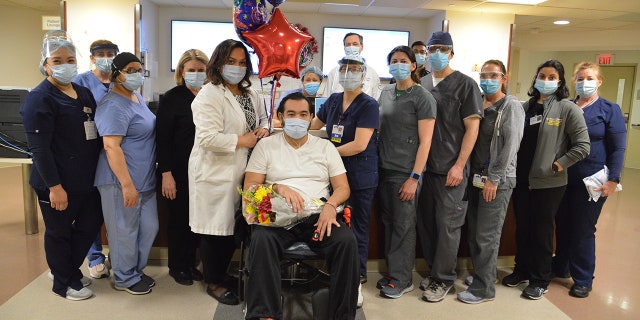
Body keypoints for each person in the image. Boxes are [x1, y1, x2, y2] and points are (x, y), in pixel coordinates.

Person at [244, 92, 358, 320]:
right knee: (261, 239)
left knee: (346, 242)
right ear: (281, 117)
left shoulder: (324, 147)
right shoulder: (266, 146)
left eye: (303, 114)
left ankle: (341, 315)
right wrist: (277, 188)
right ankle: (264, 314)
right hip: (278, 217)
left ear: (311, 117)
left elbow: (343, 188)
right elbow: (250, 189)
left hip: (317, 217)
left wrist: (330, 206)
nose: (298, 119)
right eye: (291, 114)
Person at [20, 30, 103, 301]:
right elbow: (39, 149)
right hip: (55, 182)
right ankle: (63, 284)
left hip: (85, 180)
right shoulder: (40, 98)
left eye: (69, 59)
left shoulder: (82, 92)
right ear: (45, 64)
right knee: (59, 232)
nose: (64, 65)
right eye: (57, 61)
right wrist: (55, 187)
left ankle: (65, 270)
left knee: (90, 225)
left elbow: (92, 132)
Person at [188, 39, 269, 305]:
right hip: (215, 172)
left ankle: (221, 274)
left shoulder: (249, 93)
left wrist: (263, 130)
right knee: (215, 231)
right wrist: (243, 140)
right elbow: (207, 139)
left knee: (233, 228)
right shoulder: (209, 94)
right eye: (231, 62)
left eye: (242, 63)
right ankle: (213, 282)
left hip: (241, 170)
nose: (237, 67)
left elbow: (263, 119)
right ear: (219, 63)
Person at [503, 59, 590, 300]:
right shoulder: (525, 107)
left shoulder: (567, 108)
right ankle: (521, 270)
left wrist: (558, 164)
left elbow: (583, 146)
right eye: (542, 75)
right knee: (522, 229)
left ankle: (540, 279)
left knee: (541, 232)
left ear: (560, 82)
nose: (546, 81)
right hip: (522, 180)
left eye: (552, 77)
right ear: (535, 78)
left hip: (549, 183)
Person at [416, 31, 483, 303]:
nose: (436, 53)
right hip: (425, 169)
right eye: (432, 48)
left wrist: (459, 165)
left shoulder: (466, 85)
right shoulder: (421, 83)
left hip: (450, 170)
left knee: (448, 226)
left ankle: (443, 279)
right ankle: (434, 272)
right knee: (428, 225)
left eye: (443, 49)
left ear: (452, 53)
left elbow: (473, 128)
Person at [552, 61, 626, 298]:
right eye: (580, 78)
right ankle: (561, 266)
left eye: (590, 78)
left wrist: (613, 179)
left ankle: (583, 278)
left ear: (599, 81)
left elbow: (618, 148)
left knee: (582, 228)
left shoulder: (608, 109)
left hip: (592, 178)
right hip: (562, 177)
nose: (585, 83)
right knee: (562, 224)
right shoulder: (566, 106)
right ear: (574, 81)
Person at [456, 60, 525, 304]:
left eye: (493, 75)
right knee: (475, 233)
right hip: (477, 177)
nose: (487, 79)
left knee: (487, 235)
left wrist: (494, 179)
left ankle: (484, 289)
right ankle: (484, 276)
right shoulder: (481, 103)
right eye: (483, 75)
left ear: (504, 78)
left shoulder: (511, 107)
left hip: (497, 180)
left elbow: (510, 147)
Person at [94, 52, 159, 295]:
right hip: (120, 181)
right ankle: (124, 277)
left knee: (149, 228)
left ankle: (133, 269)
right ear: (116, 73)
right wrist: (126, 185)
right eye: (130, 70)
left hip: (144, 179)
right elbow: (111, 146)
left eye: (138, 69)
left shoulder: (136, 97)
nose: (136, 74)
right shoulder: (112, 104)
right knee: (124, 231)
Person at [310, 56, 378, 284]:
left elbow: (359, 144)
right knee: (334, 222)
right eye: (344, 68)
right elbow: (314, 127)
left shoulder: (369, 105)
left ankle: (357, 273)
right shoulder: (333, 100)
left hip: (359, 173)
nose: (348, 72)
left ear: (363, 74)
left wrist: (327, 153)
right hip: (334, 174)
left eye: (354, 68)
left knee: (357, 224)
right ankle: (334, 269)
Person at [375, 45, 437, 299]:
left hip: (406, 172)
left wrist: (415, 177)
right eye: (393, 61)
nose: (397, 64)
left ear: (413, 65)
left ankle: (402, 279)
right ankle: (393, 273)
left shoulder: (422, 97)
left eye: (403, 60)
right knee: (390, 224)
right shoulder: (386, 92)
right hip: (384, 169)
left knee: (403, 225)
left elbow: (426, 142)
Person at [156, 49, 208, 286]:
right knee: (179, 220)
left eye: (201, 70)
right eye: (191, 70)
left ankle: (190, 263)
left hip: (204, 171)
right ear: (181, 72)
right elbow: (163, 139)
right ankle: (177, 267)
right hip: (177, 171)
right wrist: (166, 174)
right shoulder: (172, 98)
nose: (196, 74)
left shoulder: (209, 95)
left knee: (196, 221)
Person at [72, 39, 119, 280]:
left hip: (116, 152)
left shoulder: (121, 81)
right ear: (92, 58)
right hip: (90, 151)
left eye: (111, 53)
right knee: (91, 209)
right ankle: (95, 257)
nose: (106, 57)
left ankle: (117, 255)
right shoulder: (81, 82)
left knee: (114, 209)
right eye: (101, 54)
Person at [323, 32, 381, 99]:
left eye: (355, 44)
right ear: (344, 47)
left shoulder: (372, 73)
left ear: (362, 47)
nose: (351, 47)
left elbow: (377, 99)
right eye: (348, 44)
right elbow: (326, 98)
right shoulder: (334, 72)